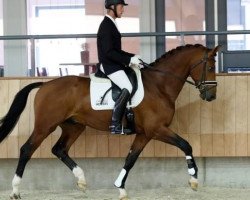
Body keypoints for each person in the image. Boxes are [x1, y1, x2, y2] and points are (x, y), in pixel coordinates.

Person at [97, 0, 143, 135]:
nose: (123, 10)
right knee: (127, 87)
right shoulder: (106, 25)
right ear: (112, 7)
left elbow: (116, 50)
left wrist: (133, 57)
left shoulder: (111, 24)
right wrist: (128, 60)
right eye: (121, 7)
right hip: (108, 65)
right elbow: (109, 52)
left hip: (114, 64)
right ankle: (115, 124)